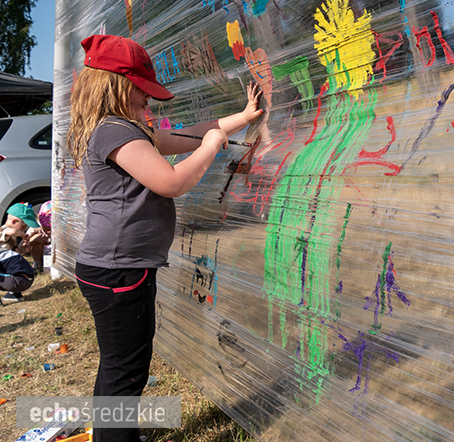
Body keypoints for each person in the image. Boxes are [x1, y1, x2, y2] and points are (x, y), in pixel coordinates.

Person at [66, 34, 264, 442]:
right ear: (118, 86)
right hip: (119, 272)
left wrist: (241, 118)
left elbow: (190, 133)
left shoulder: (121, 128)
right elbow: (171, 181)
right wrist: (211, 148)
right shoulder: (115, 132)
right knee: (128, 371)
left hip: (112, 267)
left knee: (118, 365)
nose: (149, 103)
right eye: (143, 95)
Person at [0, 202, 41, 303]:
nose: (25, 229)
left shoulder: (11, 236)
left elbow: (11, 252)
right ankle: (14, 292)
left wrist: (21, 250)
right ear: (14, 221)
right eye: (24, 227)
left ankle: (14, 293)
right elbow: (13, 232)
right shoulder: (3, 230)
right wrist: (23, 235)